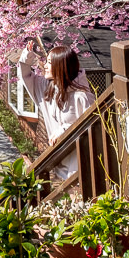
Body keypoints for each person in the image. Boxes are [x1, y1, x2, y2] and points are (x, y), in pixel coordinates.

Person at [18, 42, 93, 180]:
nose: (45, 66)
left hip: (81, 170)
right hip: (60, 167)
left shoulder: (81, 97)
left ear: (61, 66)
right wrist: (27, 57)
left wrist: (64, 129)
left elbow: (93, 127)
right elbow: (26, 76)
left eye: (49, 63)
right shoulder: (47, 89)